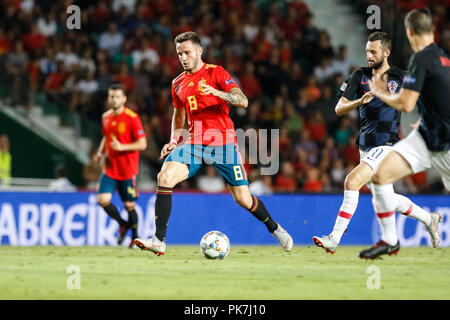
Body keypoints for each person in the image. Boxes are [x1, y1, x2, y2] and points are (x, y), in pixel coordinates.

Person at [134, 31, 293, 255]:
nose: (183, 58)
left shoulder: (216, 73)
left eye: (187, 52)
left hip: (223, 143)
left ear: (199, 51)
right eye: (179, 54)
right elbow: (178, 115)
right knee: (165, 176)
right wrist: (173, 140)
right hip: (194, 144)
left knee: (243, 199)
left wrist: (218, 92)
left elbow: (243, 101)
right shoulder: (177, 82)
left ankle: (275, 229)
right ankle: (159, 240)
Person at [312, 32, 437, 255]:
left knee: (351, 182)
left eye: (374, 51)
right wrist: (359, 101)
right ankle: (429, 219)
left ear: (386, 52)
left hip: (387, 144)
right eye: (368, 51)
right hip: (365, 147)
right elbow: (339, 108)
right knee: (387, 198)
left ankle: (334, 238)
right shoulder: (359, 76)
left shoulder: (400, 77)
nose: (369, 55)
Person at [361, 8, 449, 259]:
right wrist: (428, 117)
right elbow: (437, 97)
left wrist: (379, 91)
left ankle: (426, 222)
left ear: (409, 32)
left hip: (446, 145)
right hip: (425, 136)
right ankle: (390, 240)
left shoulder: (421, 59)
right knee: (380, 176)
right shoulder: (441, 57)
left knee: (379, 177)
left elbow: (406, 104)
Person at [95, 84, 147, 247]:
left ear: (124, 99)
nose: (114, 99)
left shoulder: (132, 118)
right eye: (111, 96)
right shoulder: (106, 117)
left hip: (127, 169)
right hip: (110, 168)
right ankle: (122, 223)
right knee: (103, 199)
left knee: (129, 205)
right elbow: (106, 137)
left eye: (117, 96)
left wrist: (122, 147)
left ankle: (136, 236)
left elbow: (142, 143)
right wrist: (100, 152)